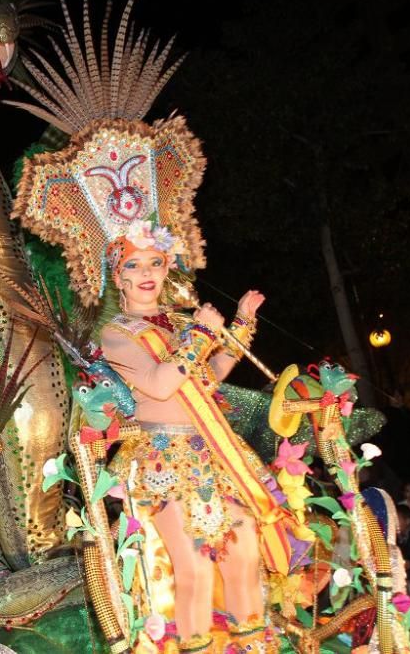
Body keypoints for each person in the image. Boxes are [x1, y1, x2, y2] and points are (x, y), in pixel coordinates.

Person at [100, 224, 294, 651]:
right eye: (134, 264)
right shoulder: (117, 332)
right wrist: (201, 335)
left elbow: (210, 375)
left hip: (215, 453)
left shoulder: (177, 323)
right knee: (195, 571)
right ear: (119, 277)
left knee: (244, 559)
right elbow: (161, 383)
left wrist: (242, 322)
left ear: (168, 266)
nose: (147, 272)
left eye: (156, 261)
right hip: (164, 460)